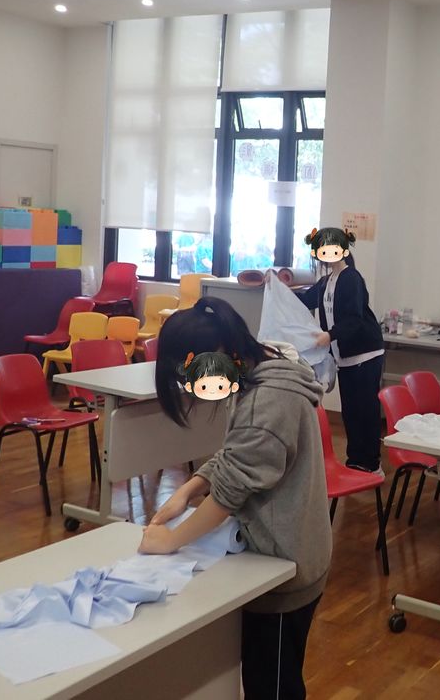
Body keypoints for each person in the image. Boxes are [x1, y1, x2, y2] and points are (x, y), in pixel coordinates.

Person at [139, 297, 332, 699]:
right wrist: (189, 489)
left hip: (285, 567)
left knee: (272, 686)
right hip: (281, 550)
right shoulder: (260, 365)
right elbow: (237, 454)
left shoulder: (267, 399)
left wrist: (172, 540)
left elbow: (231, 489)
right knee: (262, 675)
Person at [297, 227, 385, 474]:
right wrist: (277, 286)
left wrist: (330, 335)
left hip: (366, 354)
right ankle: (355, 460)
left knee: (365, 410)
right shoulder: (326, 282)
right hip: (345, 357)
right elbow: (305, 300)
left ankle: (371, 463)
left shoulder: (351, 278)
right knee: (350, 411)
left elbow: (354, 319)